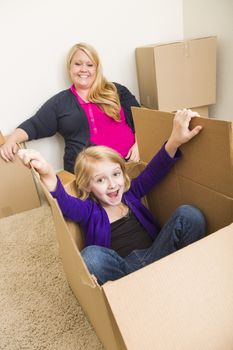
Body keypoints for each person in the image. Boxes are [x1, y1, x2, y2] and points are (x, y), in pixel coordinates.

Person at [18, 109, 206, 285]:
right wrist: (48, 173)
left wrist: (174, 140)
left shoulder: (130, 194)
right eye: (100, 180)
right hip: (125, 273)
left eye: (116, 174)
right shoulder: (89, 210)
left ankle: (181, 270)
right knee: (90, 257)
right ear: (86, 186)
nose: (113, 184)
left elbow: (153, 172)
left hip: (158, 256)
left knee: (189, 214)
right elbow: (65, 204)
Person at [0, 42, 140, 173]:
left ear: (97, 68)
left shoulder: (116, 90)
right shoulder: (60, 103)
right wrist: (12, 140)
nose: (83, 69)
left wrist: (140, 143)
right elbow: (35, 125)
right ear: (70, 67)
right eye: (78, 64)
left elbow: (143, 120)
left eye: (89, 65)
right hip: (87, 176)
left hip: (129, 164)